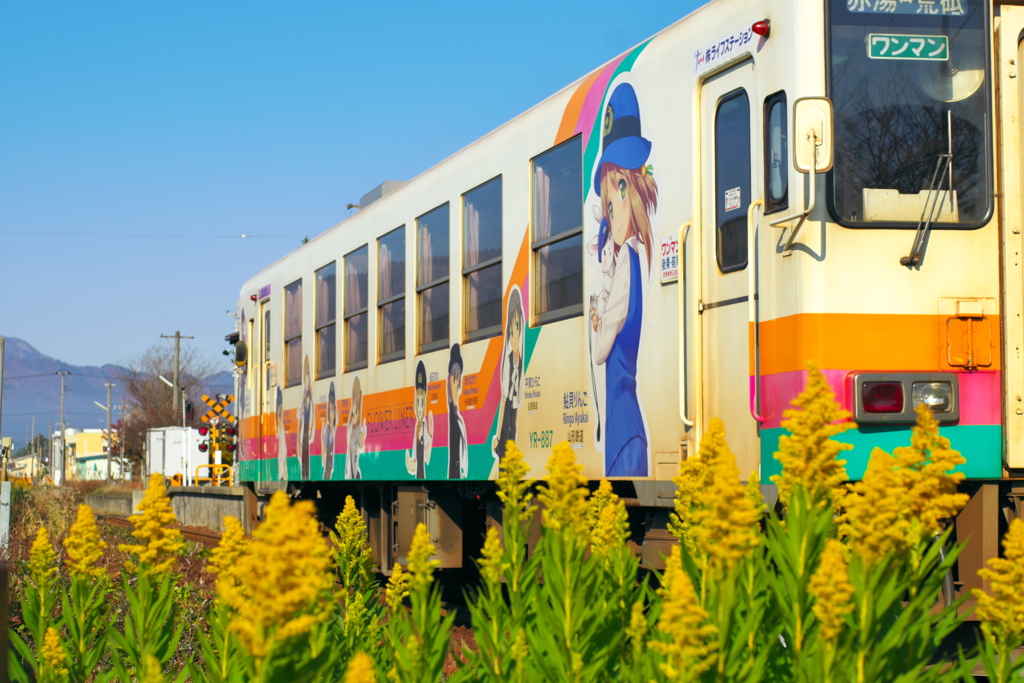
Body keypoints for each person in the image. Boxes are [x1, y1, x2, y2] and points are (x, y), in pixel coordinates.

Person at [589, 81, 658, 477]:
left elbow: (600, 349)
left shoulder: (627, 265)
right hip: (621, 427)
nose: (612, 205)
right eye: (607, 194)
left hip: (625, 431)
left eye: (619, 186)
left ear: (631, 187)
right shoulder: (624, 261)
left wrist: (599, 293)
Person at [493, 287, 524, 462]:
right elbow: (504, 400)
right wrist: (497, 437)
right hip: (505, 421)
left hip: (513, 419)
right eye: (511, 332)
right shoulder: (508, 361)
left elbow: (517, 404)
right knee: (505, 462)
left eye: (517, 328)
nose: (514, 336)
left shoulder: (520, 360)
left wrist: (516, 430)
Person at [406, 361, 434, 478]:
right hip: (417, 469)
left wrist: (431, 433)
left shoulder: (423, 425)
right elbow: (414, 449)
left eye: (422, 402)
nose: (420, 407)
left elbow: (427, 454)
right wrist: (410, 460)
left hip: (421, 470)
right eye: (418, 402)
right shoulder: (417, 426)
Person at [447, 344, 468, 479]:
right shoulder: (451, 409)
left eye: (457, 376)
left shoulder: (458, 414)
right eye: (453, 377)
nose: (455, 380)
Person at [298, 355, 313, 479]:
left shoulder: (310, 399)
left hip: (307, 435)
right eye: (305, 374)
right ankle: (304, 472)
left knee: (306, 456)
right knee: (303, 456)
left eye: (308, 374)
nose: (307, 378)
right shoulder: (304, 398)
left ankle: (306, 472)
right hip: (303, 435)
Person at [346, 377, 365, 479]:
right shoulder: (351, 430)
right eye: (352, 413)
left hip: (355, 470)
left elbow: (361, 446)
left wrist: (363, 436)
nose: (353, 416)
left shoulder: (358, 430)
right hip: (350, 470)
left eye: (355, 413)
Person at [322, 381, 337, 479]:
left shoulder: (336, 429)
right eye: (329, 410)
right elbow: (324, 449)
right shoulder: (326, 429)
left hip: (331, 468)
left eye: (333, 410)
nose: (331, 413)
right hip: (327, 470)